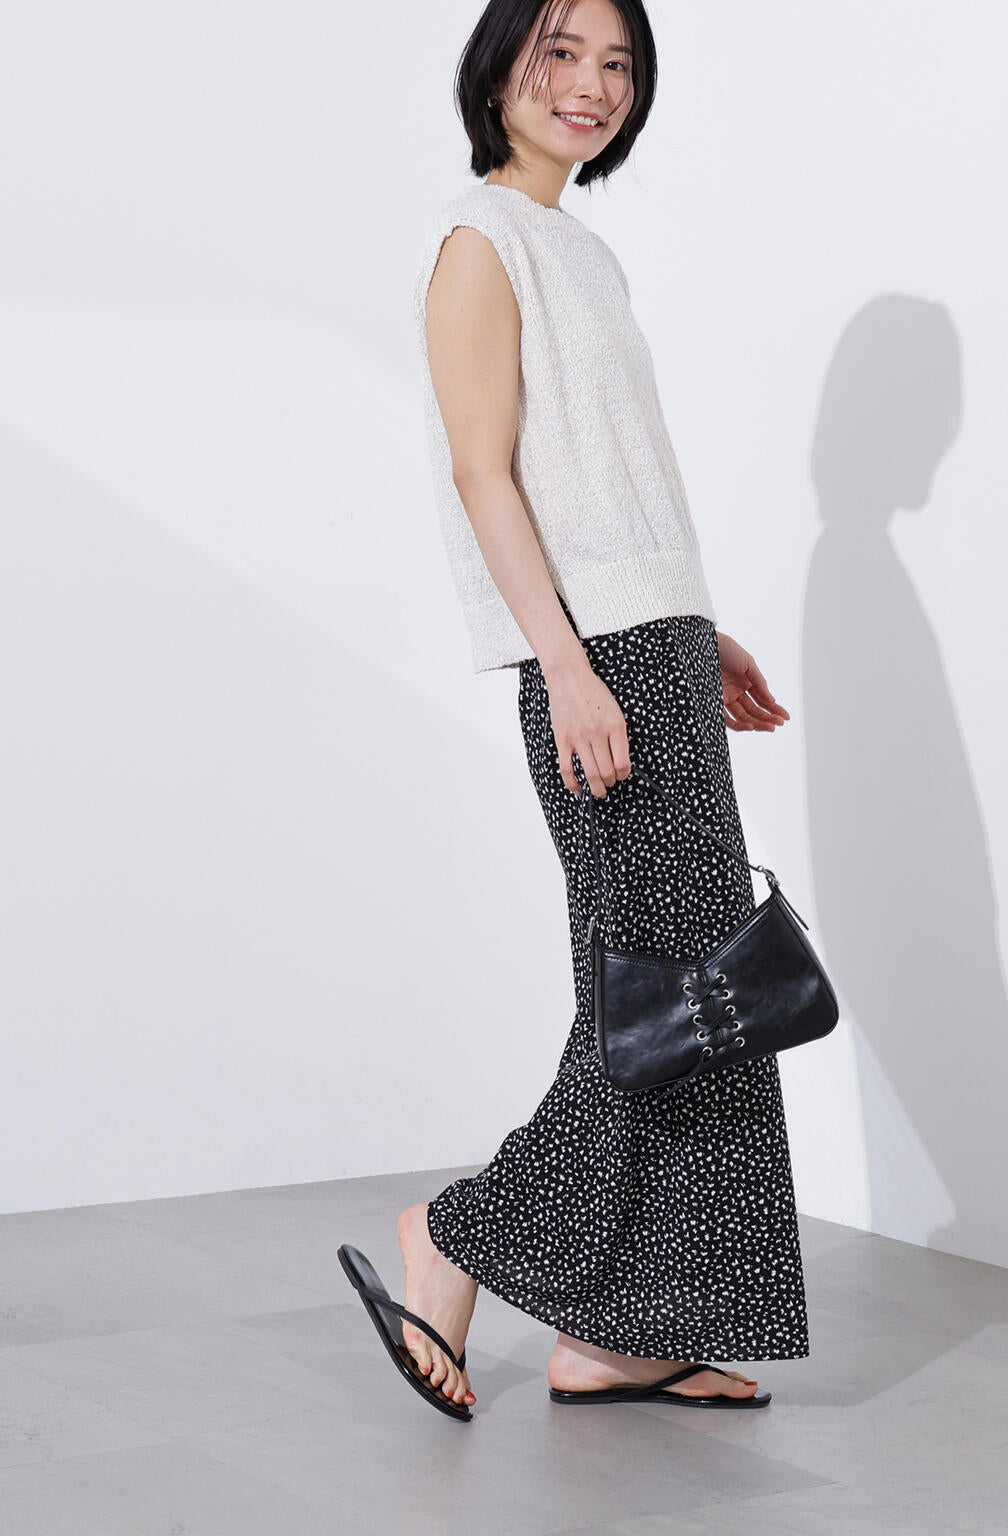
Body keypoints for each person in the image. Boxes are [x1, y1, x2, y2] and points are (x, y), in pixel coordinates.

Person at [339, 0, 809, 1418]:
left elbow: (598, 483)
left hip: (645, 647)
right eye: (561, 53)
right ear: (499, 64)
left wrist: (690, 625)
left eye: (618, 64)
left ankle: (624, 1332)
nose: (591, 86)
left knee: (698, 998)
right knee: (664, 997)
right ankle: (457, 1237)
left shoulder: (580, 250)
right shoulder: (478, 240)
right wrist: (569, 664)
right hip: (593, 665)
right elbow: (484, 475)